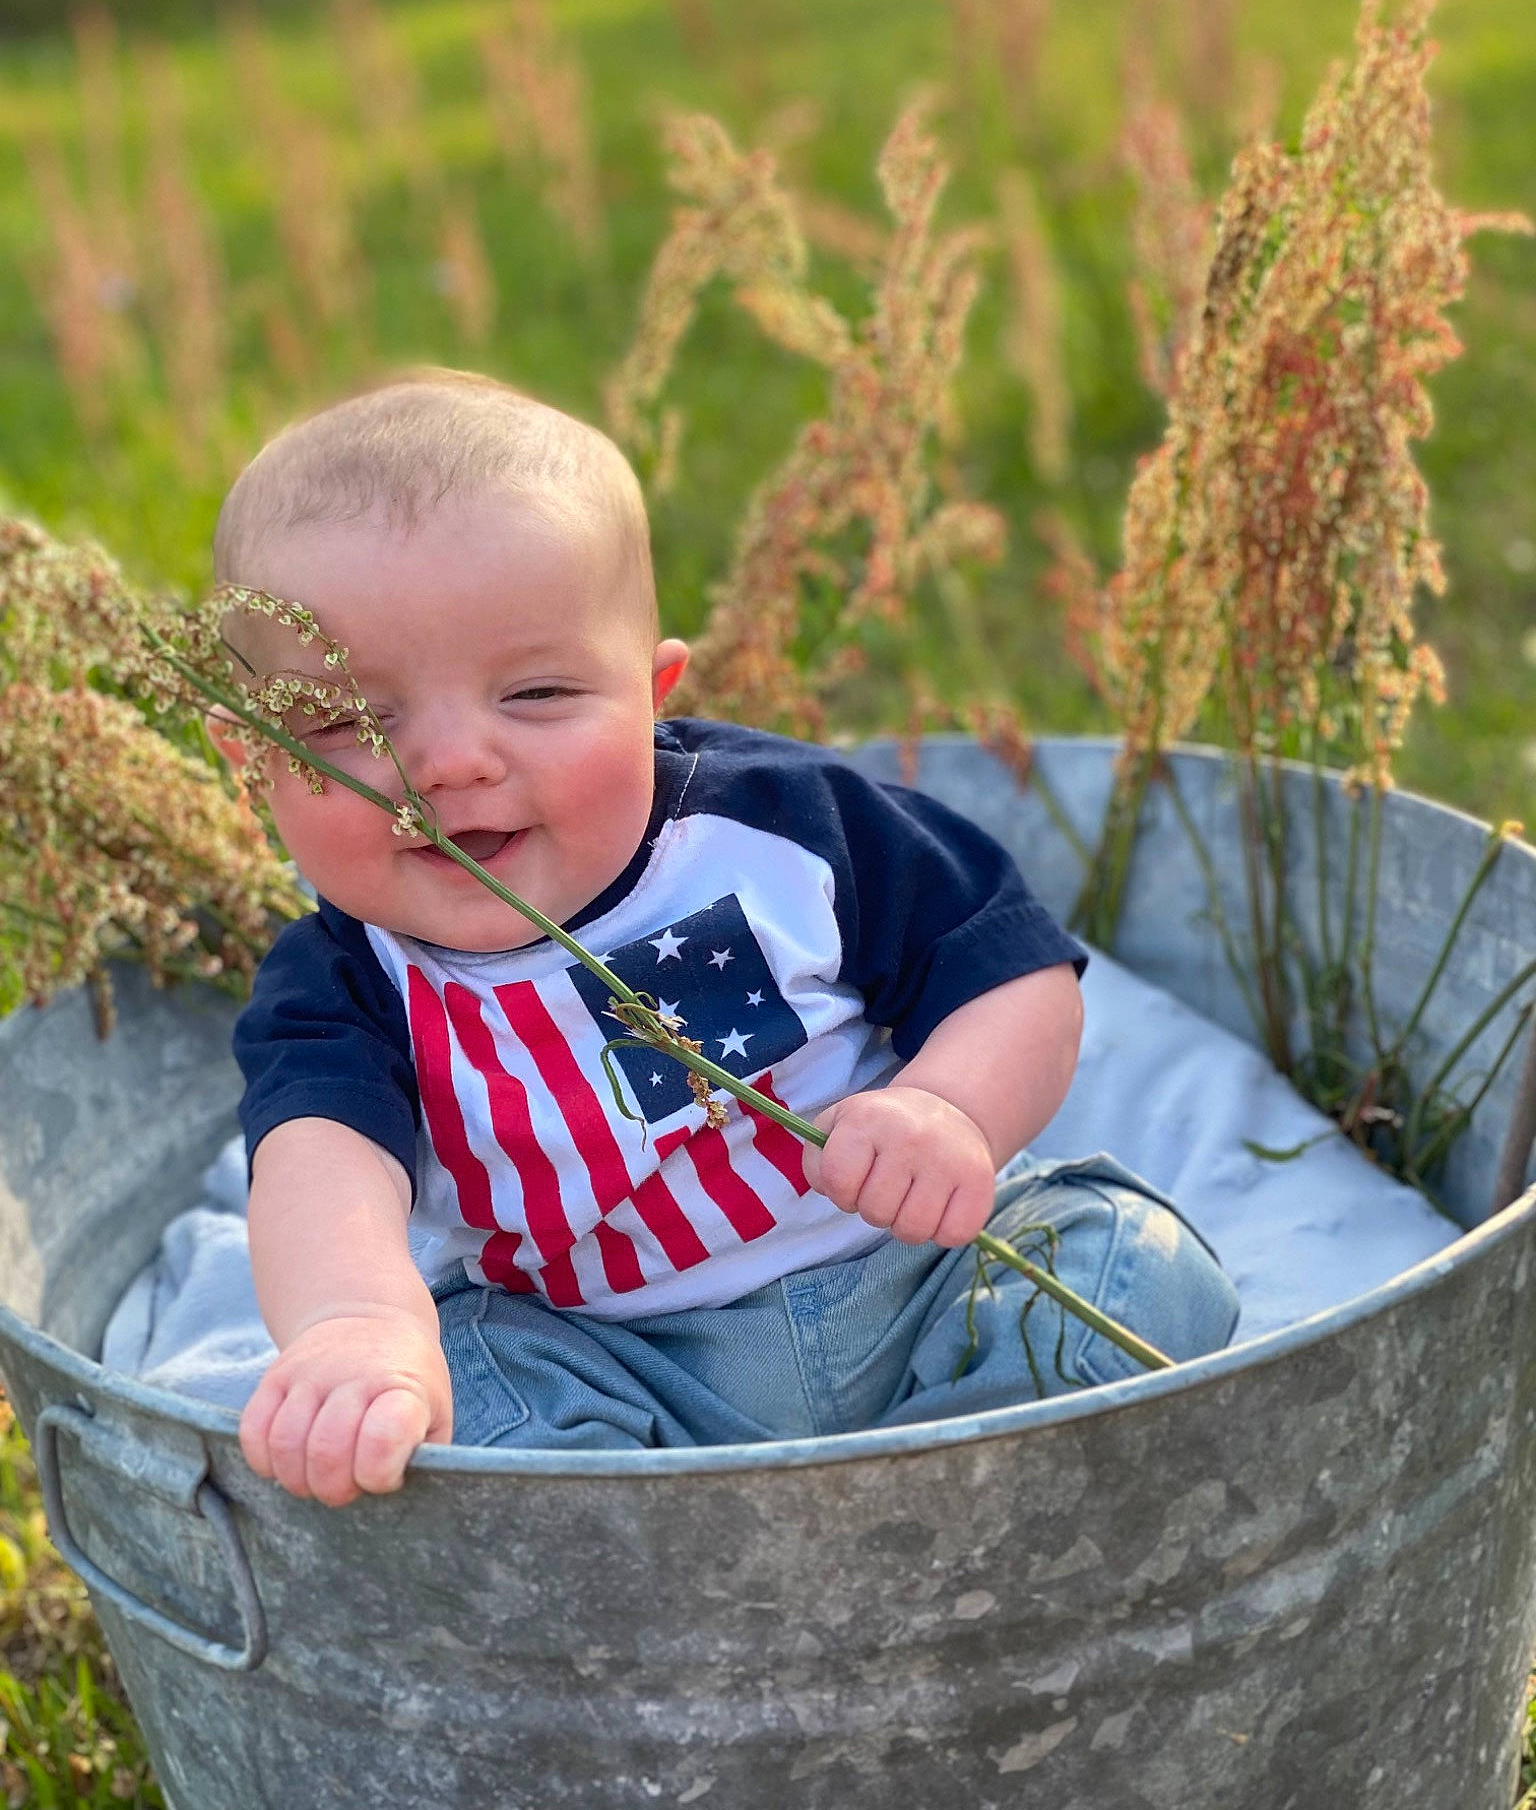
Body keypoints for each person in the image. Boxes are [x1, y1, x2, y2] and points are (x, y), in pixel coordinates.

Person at [206, 369, 1239, 1508]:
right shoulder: (349, 977)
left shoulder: (776, 829)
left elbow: (1012, 967)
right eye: (354, 722)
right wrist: (356, 1323)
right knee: (470, 1434)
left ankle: (943, 1497)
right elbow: (318, 1167)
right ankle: (692, 1548)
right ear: (251, 756)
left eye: (539, 692)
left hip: (906, 1275)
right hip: (604, 1355)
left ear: (652, 694)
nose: (449, 762)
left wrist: (951, 1106)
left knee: (1133, 1264)